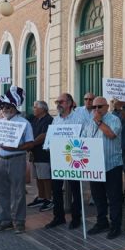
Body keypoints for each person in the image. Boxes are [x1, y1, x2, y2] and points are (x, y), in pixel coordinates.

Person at [0, 87, 35, 234]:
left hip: (16, 159)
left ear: (14, 108)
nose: (4, 109)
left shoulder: (24, 123)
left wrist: (15, 149)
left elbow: (30, 143)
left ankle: (19, 221)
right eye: (2, 106)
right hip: (0, 159)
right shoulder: (0, 122)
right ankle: (5, 220)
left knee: (18, 191)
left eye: (7, 106)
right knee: (1, 191)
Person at [45, 93, 88, 230]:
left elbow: (85, 137)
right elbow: (51, 136)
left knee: (75, 189)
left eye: (61, 102)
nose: (58, 104)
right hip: (57, 159)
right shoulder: (56, 119)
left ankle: (76, 218)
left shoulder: (79, 118)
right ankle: (58, 217)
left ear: (69, 103)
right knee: (56, 189)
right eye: (57, 102)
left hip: (73, 158)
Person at [83, 96, 124, 239]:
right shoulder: (89, 122)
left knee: (114, 197)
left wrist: (99, 121)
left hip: (112, 165)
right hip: (94, 166)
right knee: (98, 197)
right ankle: (102, 222)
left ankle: (115, 225)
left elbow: (111, 135)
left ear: (106, 107)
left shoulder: (114, 120)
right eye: (94, 107)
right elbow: (84, 140)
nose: (96, 110)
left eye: (99, 107)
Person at [27, 100, 54, 212]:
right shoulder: (33, 119)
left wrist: (31, 144)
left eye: (35, 107)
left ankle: (49, 199)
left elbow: (44, 135)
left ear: (42, 109)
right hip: (34, 154)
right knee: (38, 177)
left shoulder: (49, 119)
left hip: (44, 153)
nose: (33, 109)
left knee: (45, 177)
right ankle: (41, 196)